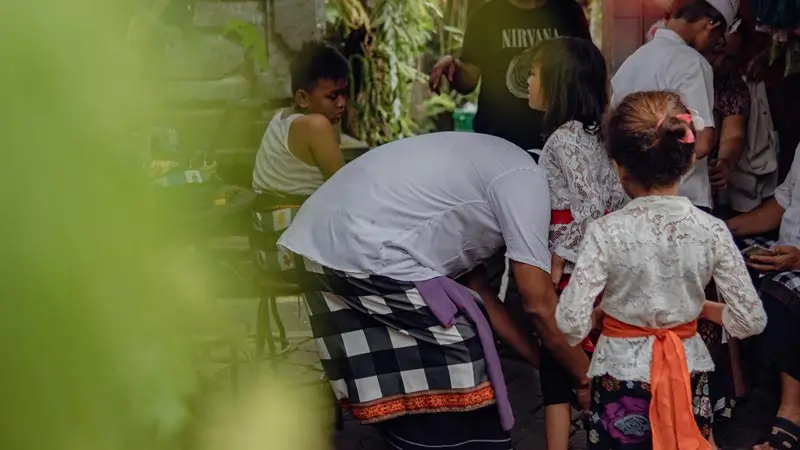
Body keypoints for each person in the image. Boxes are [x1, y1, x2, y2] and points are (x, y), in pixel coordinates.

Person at [277, 131, 591, 449]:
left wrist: (545, 366)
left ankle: (414, 436)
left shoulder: (504, 167)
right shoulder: (527, 182)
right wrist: (584, 377)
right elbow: (538, 302)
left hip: (324, 238)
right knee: (463, 353)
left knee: (459, 338)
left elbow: (480, 294)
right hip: (354, 247)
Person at [556, 91, 767, 450]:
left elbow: (570, 323)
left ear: (618, 166)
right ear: (687, 163)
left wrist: (600, 316)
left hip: (620, 375)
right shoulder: (711, 229)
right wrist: (702, 309)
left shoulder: (606, 231)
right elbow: (750, 320)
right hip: (687, 370)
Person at [527, 36, 627, 450]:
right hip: (604, 264)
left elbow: (585, 210)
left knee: (558, 366)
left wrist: (555, 262)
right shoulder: (599, 132)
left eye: (534, 74)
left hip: (575, 271)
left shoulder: (564, 139)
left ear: (557, 82)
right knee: (581, 364)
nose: (529, 83)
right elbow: (615, 199)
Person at [610, 0, 739, 214]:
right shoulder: (693, 63)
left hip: (633, 199)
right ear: (711, 25)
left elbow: (614, 136)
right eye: (718, 38)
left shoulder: (632, 61)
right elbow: (703, 142)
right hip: (683, 200)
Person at [429, 0, 591, 156]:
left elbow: (587, 73)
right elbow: (469, 80)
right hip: (497, 142)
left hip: (558, 143)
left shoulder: (568, 13)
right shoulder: (486, 16)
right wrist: (454, 67)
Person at [249, 42, 349, 283]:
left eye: (344, 93)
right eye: (332, 96)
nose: (342, 103)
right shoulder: (315, 125)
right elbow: (348, 188)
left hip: (267, 248)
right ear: (303, 98)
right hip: (293, 253)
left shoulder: (282, 118)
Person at [727, 143, 800, 450]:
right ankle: (734, 390)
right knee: (725, 263)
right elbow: (781, 204)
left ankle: (791, 412)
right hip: (784, 252)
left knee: (783, 288)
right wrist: (719, 230)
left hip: (795, 263)